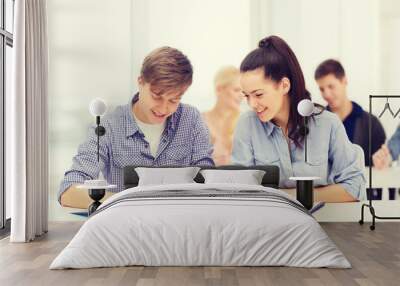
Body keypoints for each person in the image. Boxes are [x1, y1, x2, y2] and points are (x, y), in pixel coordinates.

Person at [59, 47, 214, 208]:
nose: (163, 108)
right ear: (140, 83)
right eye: (157, 96)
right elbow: (68, 191)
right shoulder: (109, 126)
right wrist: (128, 203)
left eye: (173, 100)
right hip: (125, 225)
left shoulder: (191, 119)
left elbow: (207, 182)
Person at [231, 35, 365, 202]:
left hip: (321, 223)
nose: (252, 103)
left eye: (258, 94)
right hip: (268, 225)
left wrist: (290, 197)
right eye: (246, 96)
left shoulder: (327, 123)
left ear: (284, 85)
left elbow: (354, 187)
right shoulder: (247, 125)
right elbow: (240, 192)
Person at [314, 59, 386, 166]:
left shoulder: (372, 124)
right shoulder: (316, 123)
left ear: (344, 81)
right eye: (322, 89)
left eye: (331, 86)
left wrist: (383, 161)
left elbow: (382, 164)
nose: (327, 94)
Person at [202, 66, 244, 165]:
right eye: (237, 90)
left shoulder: (245, 123)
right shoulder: (198, 121)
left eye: (243, 91)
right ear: (219, 89)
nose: (242, 95)